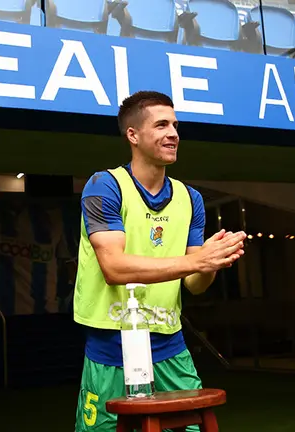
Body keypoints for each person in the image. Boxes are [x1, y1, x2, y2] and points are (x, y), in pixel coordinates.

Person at [73, 91, 247, 431]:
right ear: (133, 136)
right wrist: (197, 262)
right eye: (162, 124)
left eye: (176, 125)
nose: (174, 133)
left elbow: (194, 285)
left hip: (170, 343)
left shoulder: (190, 198)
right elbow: (115, 268)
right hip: (111, 344)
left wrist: (212, 261)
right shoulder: (104, 186)